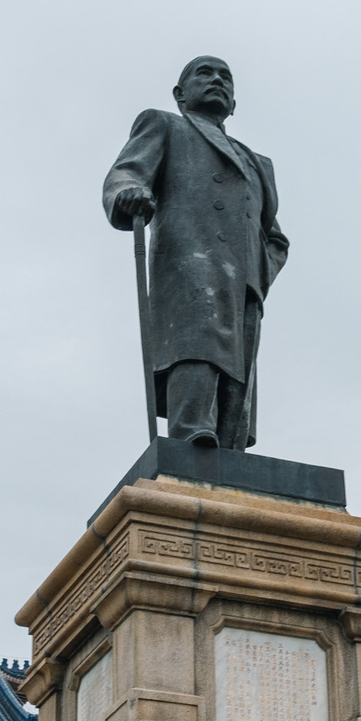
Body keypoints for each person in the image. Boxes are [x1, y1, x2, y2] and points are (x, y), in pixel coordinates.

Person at [102, 56, 289, 450]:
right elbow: (126, 172)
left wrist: (260, 269)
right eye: (205, 73)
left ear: (234, 103)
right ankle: (190, 433)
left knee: (239, 366)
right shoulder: (165, 124)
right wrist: (127, 194)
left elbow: (275, 236)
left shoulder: (259, 164)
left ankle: (229, 443)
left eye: (226, 77)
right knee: (196, 343)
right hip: (189, 261)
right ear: (180, 94)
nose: (217, 80)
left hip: (245, 281)